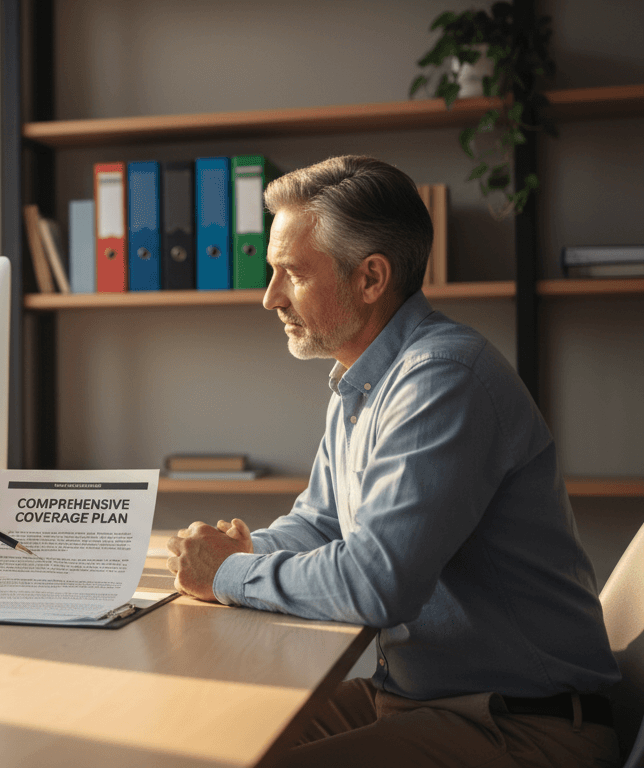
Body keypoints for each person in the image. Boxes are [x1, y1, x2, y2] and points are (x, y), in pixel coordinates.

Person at [164, 156, 621, 767]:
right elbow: (323, 525)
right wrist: (244, 550)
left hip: (521, 727)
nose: (269, 297)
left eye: (291, 274)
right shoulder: (363, 382)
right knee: (204, 743)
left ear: (371, 278)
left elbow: (376, 583)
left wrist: (227, 575)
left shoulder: (442, 380)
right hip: (417, 700)